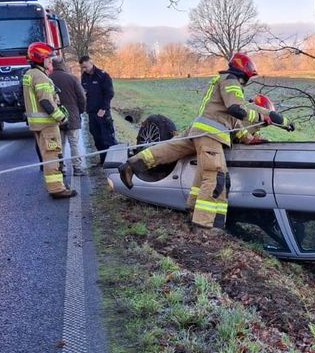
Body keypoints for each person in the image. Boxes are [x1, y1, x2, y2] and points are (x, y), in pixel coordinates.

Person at [118, 53, 294, 231]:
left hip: (199, 130)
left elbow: (235, 122)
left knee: (170, 150)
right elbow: (237, 110)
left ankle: (132, 165)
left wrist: (254, 135)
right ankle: (203, 224)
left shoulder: (222, 82)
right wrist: (262, 117)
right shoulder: (231, 80)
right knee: (216, 175)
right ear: (245, 73)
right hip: (211, 134)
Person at [21, 42, 75, 199]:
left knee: (47, 155)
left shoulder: (29, 74)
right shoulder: (40, 76)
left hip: (38, 124)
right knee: (53, 155)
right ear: (41, 58)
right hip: (47, 124)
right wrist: (62, 117)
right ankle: (57, 189)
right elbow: (45, 101)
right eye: (48, 58)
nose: (50, 61)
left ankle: (55, 186)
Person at [50, 57, 88, 176]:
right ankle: (77, 168)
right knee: (74, 143)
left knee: (59, 145)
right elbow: (82, 98)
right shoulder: (72, 78)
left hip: (56, 116)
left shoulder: (48, 79)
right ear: (63, 64)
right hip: (72, 114)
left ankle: (61, 168)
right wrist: (80, 111)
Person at [80, 55, 115, 167]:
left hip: (102, 112)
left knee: (107, 138)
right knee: (97, 138)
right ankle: (103, 160)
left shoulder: (102, 75)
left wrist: (103, 108)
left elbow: (109, 93)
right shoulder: (84, 77)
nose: (84, 69)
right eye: (82, 68)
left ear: (91, 63)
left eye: (85, 67)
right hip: (91, 112)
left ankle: (113, 161)